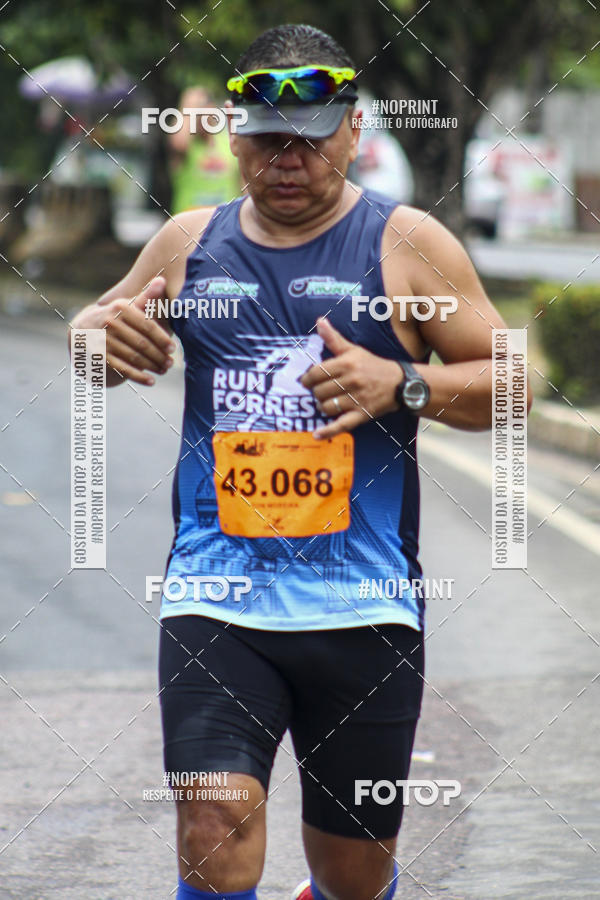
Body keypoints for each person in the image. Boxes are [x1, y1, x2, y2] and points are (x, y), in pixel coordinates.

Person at [69, 23, 532, 900]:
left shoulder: (408, 245)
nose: (288, 160)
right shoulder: (188, 243)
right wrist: (92, 337)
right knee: (212, 823)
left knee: (353, 877)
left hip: (364, 608)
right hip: (216, 595)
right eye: (267, 140)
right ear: (234, 137)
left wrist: (404, 384)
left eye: (311, 140)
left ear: (353, 133)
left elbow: (513, 386)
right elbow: (98, 332)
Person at [169, 86, 240, 213]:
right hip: (189, 221)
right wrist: (190, 107)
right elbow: (179, 144)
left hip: (224, 221)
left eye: (205, 106)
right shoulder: (188, 145)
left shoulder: (229, 142)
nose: (201, 115)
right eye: (196, 111)